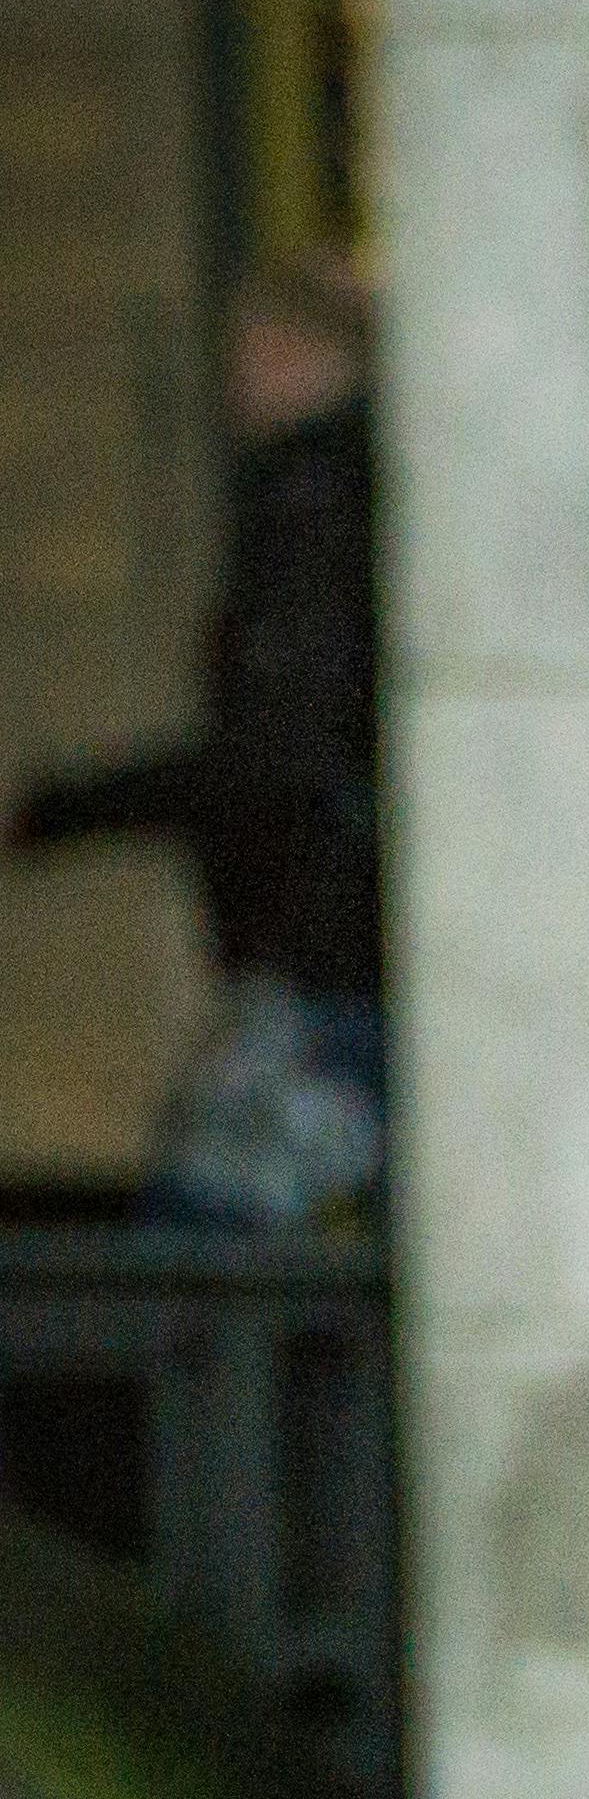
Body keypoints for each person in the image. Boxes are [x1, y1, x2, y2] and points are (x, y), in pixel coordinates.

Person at [9, 257, 389, 1227]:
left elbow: (275, 751)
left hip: (324, 957)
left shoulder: (313, 510)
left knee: (199, 1250)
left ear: (291, 352)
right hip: (343, 950)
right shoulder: (355, 499)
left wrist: (56, 812)